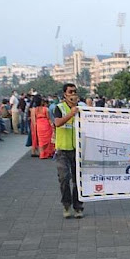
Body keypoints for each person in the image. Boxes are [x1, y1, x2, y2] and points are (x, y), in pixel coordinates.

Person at [54, 83, 84, 218]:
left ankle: (78, 207)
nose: (73, 94)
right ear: (65, 94)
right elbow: (57, 123)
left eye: (75, 91)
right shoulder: (59, 108)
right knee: (64, 178)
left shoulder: (82, 109)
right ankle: (66, 205)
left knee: (78, 180)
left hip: (78, 150)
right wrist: (71, 114)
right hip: (63, 150)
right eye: (70, 92)